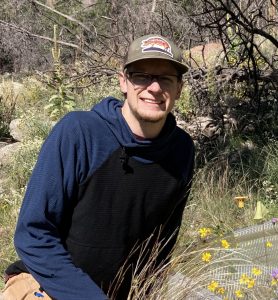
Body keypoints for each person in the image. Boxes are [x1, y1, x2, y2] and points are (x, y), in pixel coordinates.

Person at [3, 34, 194, 300]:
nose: (153, 87)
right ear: (123, 81)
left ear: (179, 88)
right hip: (46, 284)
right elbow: (33, 234)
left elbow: (160, 249)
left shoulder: (181, 151)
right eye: (141, 76)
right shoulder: (81, 133)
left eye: (165, 78)